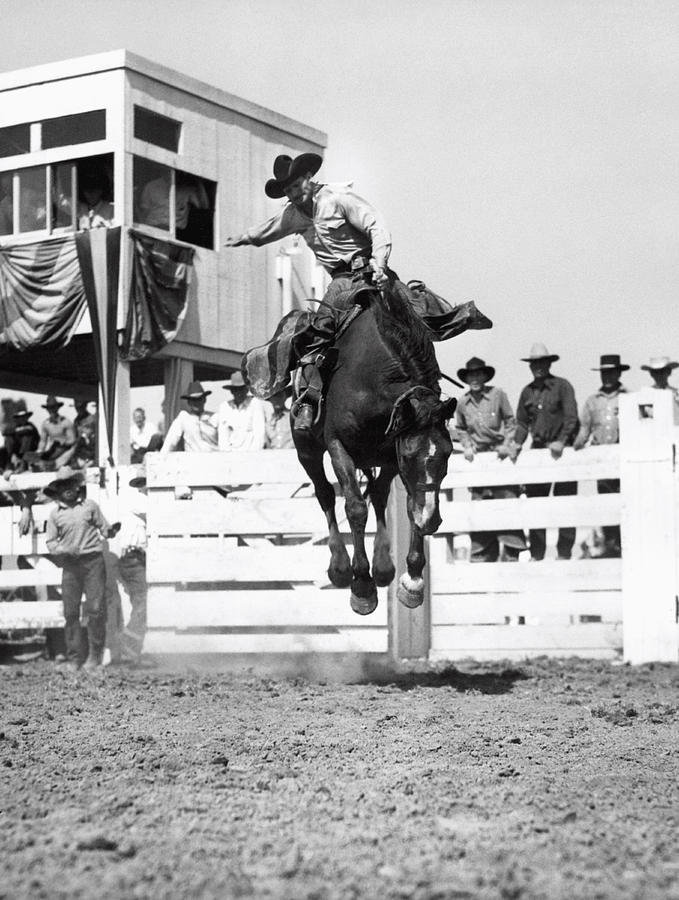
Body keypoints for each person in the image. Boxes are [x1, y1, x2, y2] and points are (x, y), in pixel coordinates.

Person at [224, 152, 490, 431]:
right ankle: (308, 400)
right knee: (318, 333)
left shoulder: (337, 198)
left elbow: (375, 224)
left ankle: (434, 376)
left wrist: (379, 261)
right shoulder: (291, 216)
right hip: (340, 281)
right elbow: (265, 231)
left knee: (416, 317)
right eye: (288, 190)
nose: (294, 193)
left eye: (296, 185)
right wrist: (240, 239)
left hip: (371, 269)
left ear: (307, 178)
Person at [45, 466, 120, 672]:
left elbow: (105, 529)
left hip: (93, 562)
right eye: (62, 485)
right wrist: (64, 549)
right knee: (70, 612)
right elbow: (51, 543)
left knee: (95, 609)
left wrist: (111, 531)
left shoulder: (90, 507)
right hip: (70, 564)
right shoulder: (55, 515)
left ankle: (94, 656)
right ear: (58, 490)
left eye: (70, 484)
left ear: (77, 486)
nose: (67, 489)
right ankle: (74, 658)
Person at [454, 357, 526, 562]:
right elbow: (460, 428)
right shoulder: (463, 402)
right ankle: (482, 557)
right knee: (480, 509)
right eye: (471, 376)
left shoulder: (497, 395)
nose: (475, 379)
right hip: (478, 461)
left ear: (485, 376)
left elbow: (511, 422)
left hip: (498, 457)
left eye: (478, 374)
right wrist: (467, 445)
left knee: (506, 504)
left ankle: (513, 554)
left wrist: (508, 443)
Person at [514, 343, 579, 561]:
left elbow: (571, 417)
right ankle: (537, 554)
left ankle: (564, 553)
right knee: (536, 505)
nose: (538, 367)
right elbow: (522, 423)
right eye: (534, 364)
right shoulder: (527, 392)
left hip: (562, 451)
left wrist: (561, 440)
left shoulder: (562, 386)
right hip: (538, 451)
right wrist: (516, 443)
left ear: (549, 363)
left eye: (541, 363)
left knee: (565, 504)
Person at [573, 354, 628, 558]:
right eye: (604, 373)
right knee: (606, 505)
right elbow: (584, 429)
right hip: (602, 463)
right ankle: (611, 546)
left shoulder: (627, 397)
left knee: (627, 503)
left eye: (611, 372)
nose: (607, 376)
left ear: (619, 373)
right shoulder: (592, 401)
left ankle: (626, 545)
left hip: (623, 460)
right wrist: (577, 444)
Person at [107, 471, 149, 666]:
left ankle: (130, 652)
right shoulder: (139, 500)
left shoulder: (141, 500)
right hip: (133, 558)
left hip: (136, 558)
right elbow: (159, 511)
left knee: (141, 603)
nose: (144, 487)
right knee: (143, 603)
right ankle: (126, 643)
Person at [139, 168, 209, 232]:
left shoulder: (186, 188)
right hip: (153, 227)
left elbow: (203, 206)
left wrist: (198, 181)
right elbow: (144, 211)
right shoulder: (151, 186)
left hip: (175, 230)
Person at [160, 381, 218, 454]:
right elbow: (170, 442)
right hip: (192, 461)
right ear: (189, 402)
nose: (197, 403)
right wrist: (161, 458)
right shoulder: (183, 418)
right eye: (193, 400)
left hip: (214, 459)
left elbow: (225, 442)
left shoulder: (215, 417)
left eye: (199, 399)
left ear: (204, 400)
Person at [215, 372, 267, 451]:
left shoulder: (255, 404)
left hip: (250, 455)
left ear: (247, 389)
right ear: (231, 391)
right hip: (231, 455)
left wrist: (255, 457)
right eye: (235, 390)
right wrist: (225, 455)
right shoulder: (225, 407)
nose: (238, 392)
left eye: (241, 389)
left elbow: (259, 434)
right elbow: (223, 435)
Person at [37, 394, 75, 464]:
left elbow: (72, 439)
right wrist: (40, 451)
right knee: (38, 461)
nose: (52, 410)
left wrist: (62, 445)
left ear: (57, 408)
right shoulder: (46, 424)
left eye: (53, 407)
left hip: (65, 450)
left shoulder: (65, 422)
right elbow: (43, 441)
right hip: (52, 451)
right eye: (49, 408)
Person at [641, 355, 679, 422]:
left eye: (662, 371)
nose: (659, 375)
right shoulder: (646, 393)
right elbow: (644, 416)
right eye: (656, 372)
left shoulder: (676, 393)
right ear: (651, 374)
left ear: (669, 372)